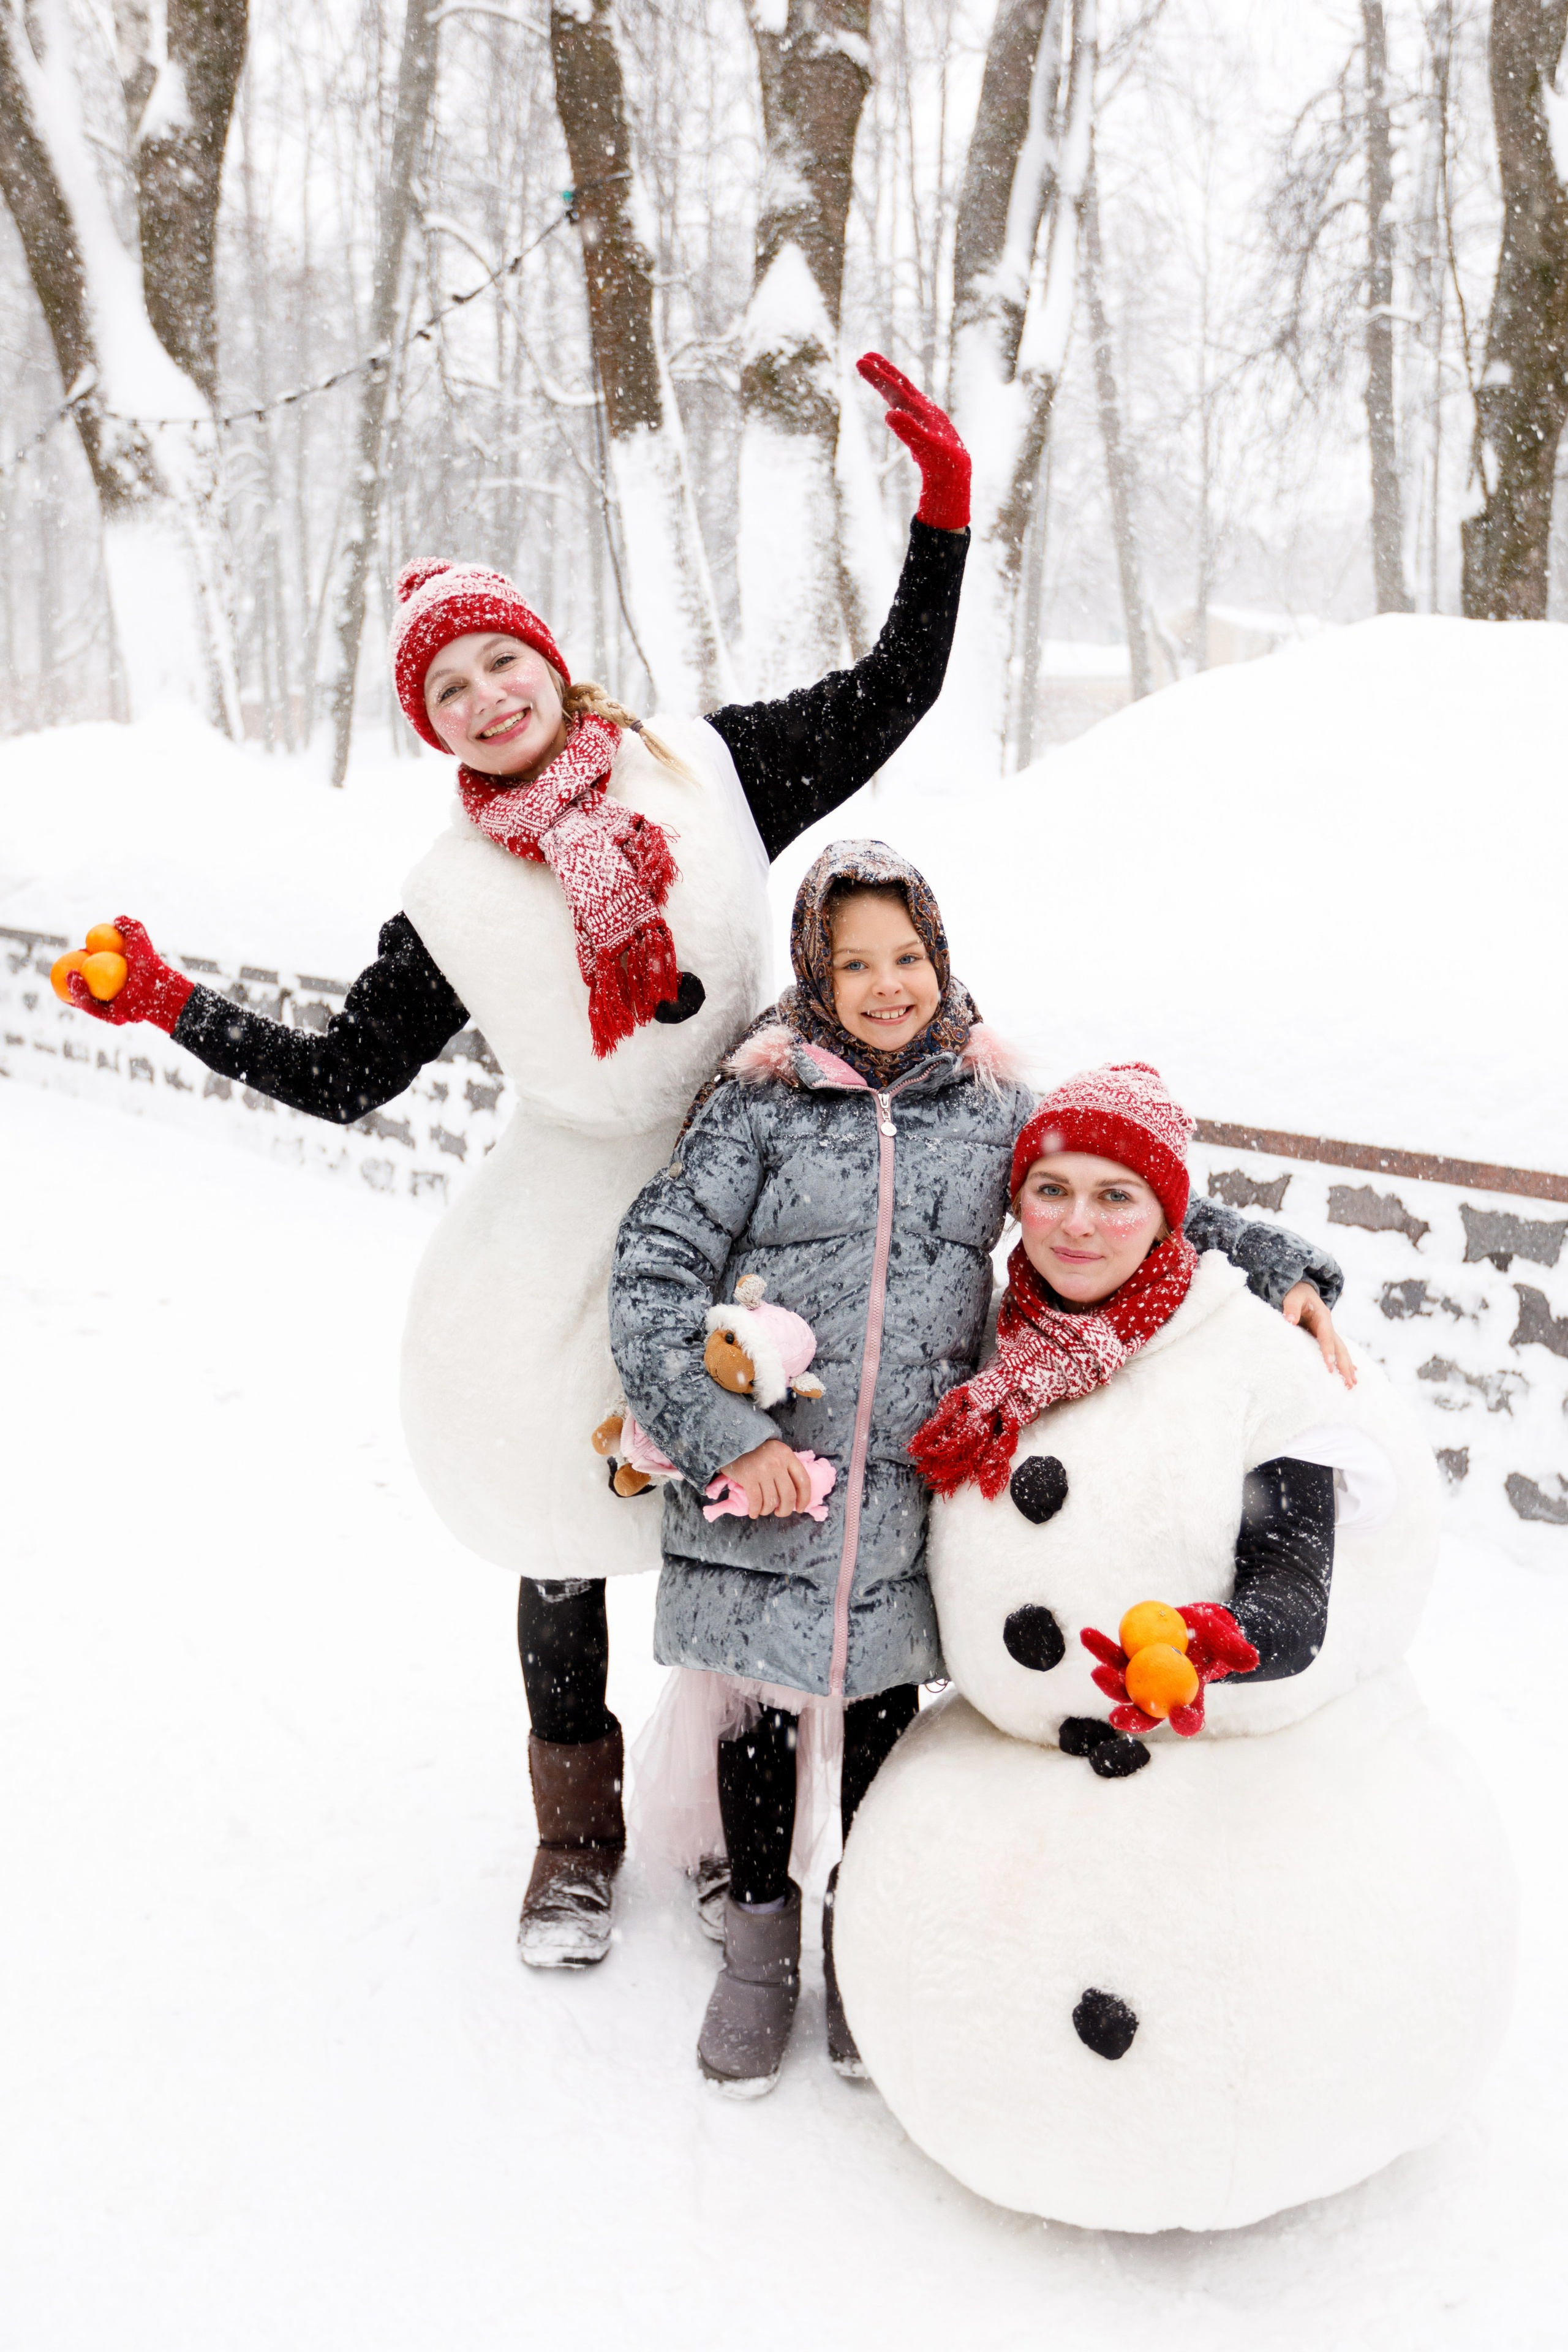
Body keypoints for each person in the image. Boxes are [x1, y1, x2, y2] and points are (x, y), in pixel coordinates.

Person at [59, 354, 976, 1975]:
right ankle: (576, 1834)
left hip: (757, 1184)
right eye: (450, 693)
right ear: (432, 727)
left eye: (502, 661)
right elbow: (349, 1075)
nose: (488, 697)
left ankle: (739, 1839)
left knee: (767, 1512)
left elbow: (893, 688)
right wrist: (175, 1009)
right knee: (559, 1522)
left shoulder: (708, 773)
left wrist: (943, 515)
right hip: (563, 1229)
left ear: (548, 659)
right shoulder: (455, 899)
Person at [608, 843, 1349, 2095]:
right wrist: (733, 1436)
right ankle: (758, 1944)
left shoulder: (988, 1103)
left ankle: (858, 1936)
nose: (885, 985)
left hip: (906, 1490)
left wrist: (1281, 1268)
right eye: (854, 962)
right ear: (813, 969)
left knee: (888, 1731)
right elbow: (651, 1277)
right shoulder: (755, 1105)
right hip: (766, 1478)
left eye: (906, 957)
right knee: (758, 1726)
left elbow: (1128, 1182)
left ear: (940, 958)